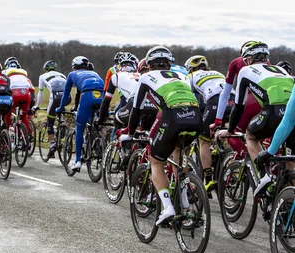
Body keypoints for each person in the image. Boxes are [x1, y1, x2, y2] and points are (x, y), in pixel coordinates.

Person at [120, 46, 201, 225]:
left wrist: (130, 134)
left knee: (156, 160)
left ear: (148, 65)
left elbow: (136, 110)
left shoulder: (145, 77)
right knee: (179, 153)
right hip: (196, 117)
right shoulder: (183, 76)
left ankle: (167, 207)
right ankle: (183, 194)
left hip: (172, 116)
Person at [215, 42, 294, 197]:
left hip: (273, 111)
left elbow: (238, 106)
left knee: (251, 137)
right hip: (292, 113)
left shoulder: (245, 70)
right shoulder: (282, 70)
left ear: (249, 59)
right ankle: (287, 206)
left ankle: (265, 176)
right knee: (290, 162)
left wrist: (230, 130)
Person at [184, 55, 226, 194]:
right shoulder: (218, 73)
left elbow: (189, 99)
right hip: (233, 102)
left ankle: (208, 179)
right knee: (228, 131)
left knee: (204, 141)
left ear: (190, 69)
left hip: (214, 103)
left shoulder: (191, 76)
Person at [56, 56, 105, 172]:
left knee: (79, 126)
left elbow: (66, 94)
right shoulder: (95, 73)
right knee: (97, 121)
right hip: (101, 92)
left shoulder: (72, 75)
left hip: (87, 94)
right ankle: (102, 144)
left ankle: (77, 161)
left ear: (74, 67)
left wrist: (60, 108)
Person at [35, 60, 69, 151]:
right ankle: (63, 123)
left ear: (46, 69)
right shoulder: (62, 75)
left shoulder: (42, 76)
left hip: (55, 96)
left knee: (50, 120)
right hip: (68, 97)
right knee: (60, 109)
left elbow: (40, 93)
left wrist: (37, 106)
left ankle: (52, 144)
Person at [3, 57, 35, 144]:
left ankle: (8, 133)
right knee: (23, 116)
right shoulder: (24, 73)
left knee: (8, 113)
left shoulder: (4, 72)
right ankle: (25, 137)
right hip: (26, 94)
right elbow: (32, 89)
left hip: (14, 94)